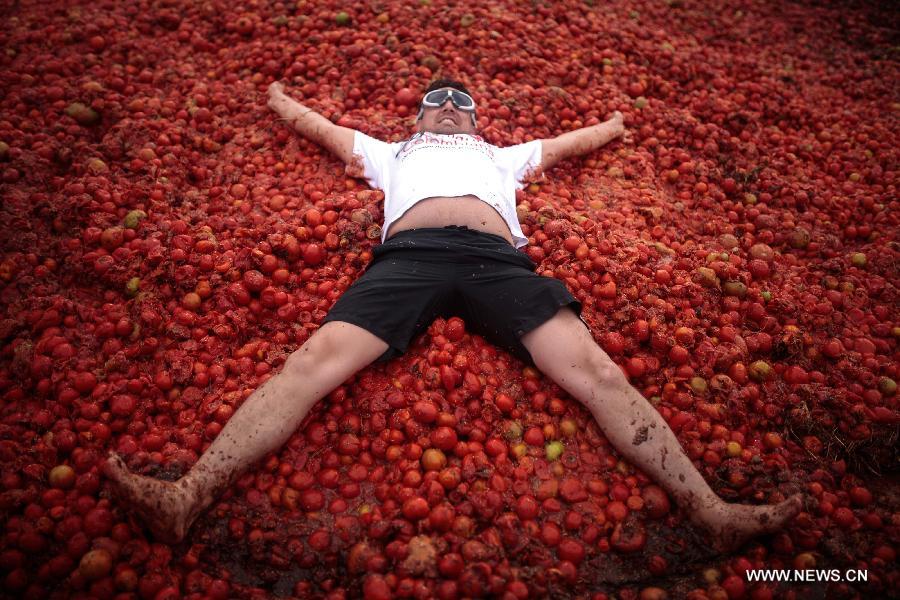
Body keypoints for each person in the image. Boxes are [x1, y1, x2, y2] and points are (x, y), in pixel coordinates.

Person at [105, 79, 801, 550]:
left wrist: (616, 125)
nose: (446, 108)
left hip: (499, 267)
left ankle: (709, 511)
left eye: (458, 103)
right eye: (434, 102)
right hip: (406, 261)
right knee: (310, 364)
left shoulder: (501, 155)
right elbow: (322, 130)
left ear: (473, 118)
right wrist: (281, 99)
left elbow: (566, 145)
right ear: (417, 118)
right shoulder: (392, 151)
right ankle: (190, 493)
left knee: (599, 373)